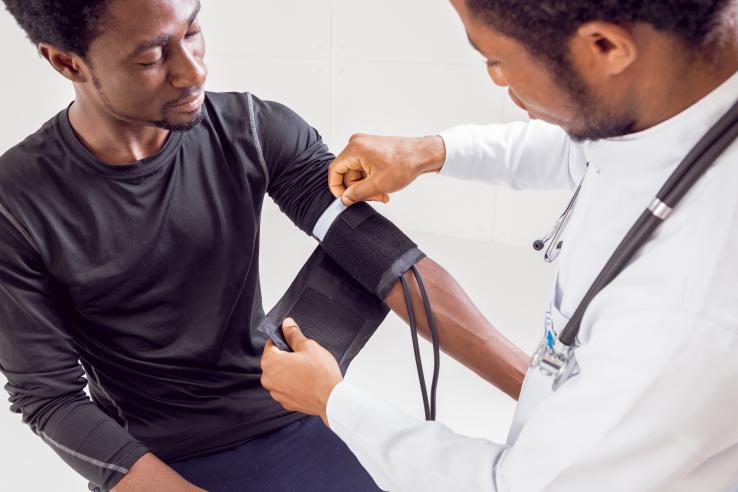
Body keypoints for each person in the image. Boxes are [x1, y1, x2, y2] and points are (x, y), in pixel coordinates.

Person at [0, 0, 530, 490]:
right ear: (66, 63)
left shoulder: (252, 129)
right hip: (152, 458)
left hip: (286, 409)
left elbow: (388, 264)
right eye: (153, 57)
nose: (194, 71)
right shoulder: (16, 205)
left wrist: (540, 393)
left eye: (194, 32)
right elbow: (50, 398)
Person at [260, 0, 738, 490]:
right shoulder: (676, 95)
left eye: (495, 60)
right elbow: (588, 145)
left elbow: (512, 486)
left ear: (605, 46)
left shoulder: (690, 312)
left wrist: (334, 402)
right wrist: (433, 151)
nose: (494, 80)